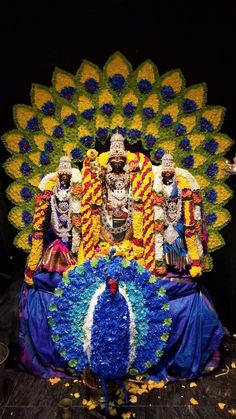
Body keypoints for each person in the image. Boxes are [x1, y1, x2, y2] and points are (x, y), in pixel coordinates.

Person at [19, 156, 81, 377]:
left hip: (71, 242)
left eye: (67, 173)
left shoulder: (76, 192)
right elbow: (42, 224)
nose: (64, 176)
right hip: (55, 242)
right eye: (61, 173)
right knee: (53, 262)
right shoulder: (50, 192)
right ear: (58, 174)